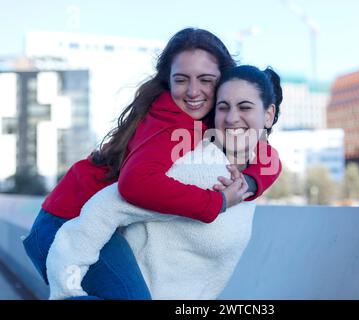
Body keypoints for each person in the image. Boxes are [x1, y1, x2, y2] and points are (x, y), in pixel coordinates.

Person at [22, 28, 281, 300]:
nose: (193, 91)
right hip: (65, 221)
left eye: (206, 80)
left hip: (94, 224)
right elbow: (135, 184)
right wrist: (217, 202)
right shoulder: (173, 124)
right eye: (181, 80)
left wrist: (250, 182)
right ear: (168, 81)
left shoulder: (210, 117)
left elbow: (268, 155)